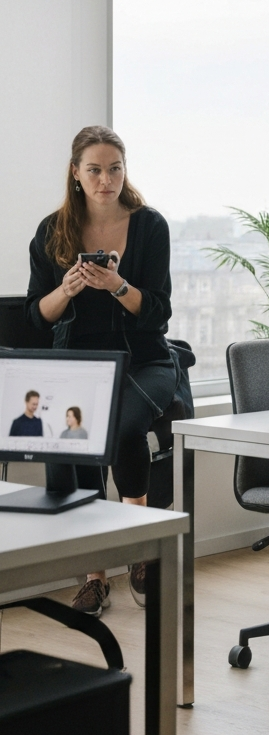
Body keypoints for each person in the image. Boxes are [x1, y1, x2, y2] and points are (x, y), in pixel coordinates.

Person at [27, 125, 177, 615]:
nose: (106, 179)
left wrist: (116, 285)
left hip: (144, 358)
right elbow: (36, 316)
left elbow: (157, 310)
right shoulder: (52, 232)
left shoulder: (150, 226)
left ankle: (137, 551)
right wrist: (67, 289)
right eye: (94, 170)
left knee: (122, 424)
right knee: (75, 436)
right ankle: (94, 574)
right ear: (76, 173)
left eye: (115, 169)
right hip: (78, 361)